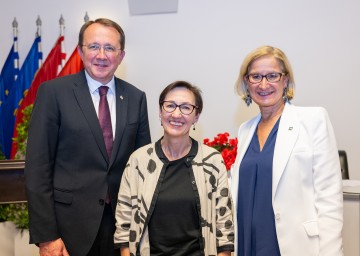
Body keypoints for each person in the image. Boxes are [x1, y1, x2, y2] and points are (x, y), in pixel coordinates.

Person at [24, 18, 151, 256]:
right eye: (93, 46)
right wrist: (47, 236)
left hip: (122, 230)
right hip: (68, 230)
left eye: (110, 48)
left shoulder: (136, 98)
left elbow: (143, 168)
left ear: (121, 55)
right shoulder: (53, 93)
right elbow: (38, 168)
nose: (101, 55)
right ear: (81, 51)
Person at [229, 45, 343, 255]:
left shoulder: (313, 120)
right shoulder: (245, 130)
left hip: (292, 246)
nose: (264, 84)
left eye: (272, 75)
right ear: (247, 82)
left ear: (285, 80)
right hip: (247, 244)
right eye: (256, 77)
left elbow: (329, 198)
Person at [114, 81, 234, 256]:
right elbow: (123, 225)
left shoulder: (212, 161)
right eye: (170, 106)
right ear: (160, 111)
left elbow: (224, 227)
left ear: (196, 116)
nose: (176, 114)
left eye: (186, 107)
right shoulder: (138, 160)